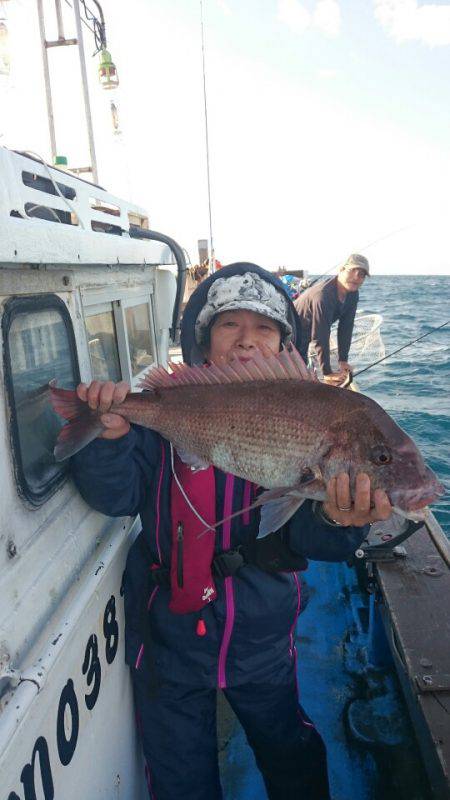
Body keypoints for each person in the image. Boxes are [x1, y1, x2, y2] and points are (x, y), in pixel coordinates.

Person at [70, 263, 391, 800]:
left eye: (264, 328)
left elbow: (315, 543)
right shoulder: (165, 419)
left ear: (284, 342)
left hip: (261, 640)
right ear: (203, 340)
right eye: (229, 325)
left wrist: (340, 519)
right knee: (180, 777)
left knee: (291, 754)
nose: (247, 340)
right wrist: (108, 438)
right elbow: (115, 497)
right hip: (169, 641)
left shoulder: (307, 418)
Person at [294, 254, 370, 385]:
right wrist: (327, 373)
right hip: (292, 328)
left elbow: (346, 327)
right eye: (352, 270)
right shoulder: (323, 295)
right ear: (340, 270)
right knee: (297, 373)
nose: (357, 276)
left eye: (362, 274)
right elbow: (320, 335)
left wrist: (343, 360)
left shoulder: (353, 294)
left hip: (311, 328)